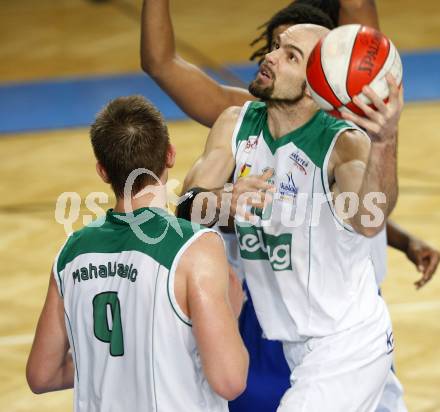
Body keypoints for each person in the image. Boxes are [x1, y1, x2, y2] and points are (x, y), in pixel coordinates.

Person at [181, 23, 404, 410]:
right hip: (293, 344)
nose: (269, 57)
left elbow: (369, 219)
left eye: (290, 56)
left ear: (317, 83)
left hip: (346, 342)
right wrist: (223, 202)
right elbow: (186, 208)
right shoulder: (235, 125)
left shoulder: (342, 144)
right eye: (275, 47)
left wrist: (384, 142)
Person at [26, 95, 249, 411]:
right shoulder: (195, 247)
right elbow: (230, 380)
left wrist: (114, 364)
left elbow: (41, 376)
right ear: (170, 155)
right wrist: (234, 309)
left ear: (103, 171)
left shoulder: (70, 252)